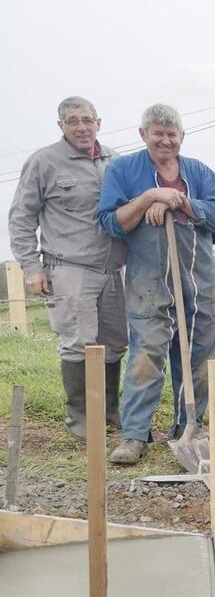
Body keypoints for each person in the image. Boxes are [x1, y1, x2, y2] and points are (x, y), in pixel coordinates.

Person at [96, 103, 215, 464]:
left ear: (182, 137)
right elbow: (111, 221)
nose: (165, 140)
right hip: (148, 280)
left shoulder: (200, 172)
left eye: (172, 134)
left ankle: (189, 425)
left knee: (199, 356)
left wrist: (181, 203)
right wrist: (149, 199)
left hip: (198, 278)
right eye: (157, 133)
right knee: (146, 355)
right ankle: (135, 435)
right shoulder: (123, 170)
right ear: (143, 135)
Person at [8, 95, 126, 437]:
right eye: (73, 121)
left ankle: (108, 411)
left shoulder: (114, 161)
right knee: (79, 343)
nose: (81, 127)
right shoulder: (44, 162)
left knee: (115, 343)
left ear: (98, 123)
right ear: (61, 126)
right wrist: (31, 267)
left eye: (87, 119)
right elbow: (21, 217)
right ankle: (81, 419)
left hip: (114, 270)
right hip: (70, 266)